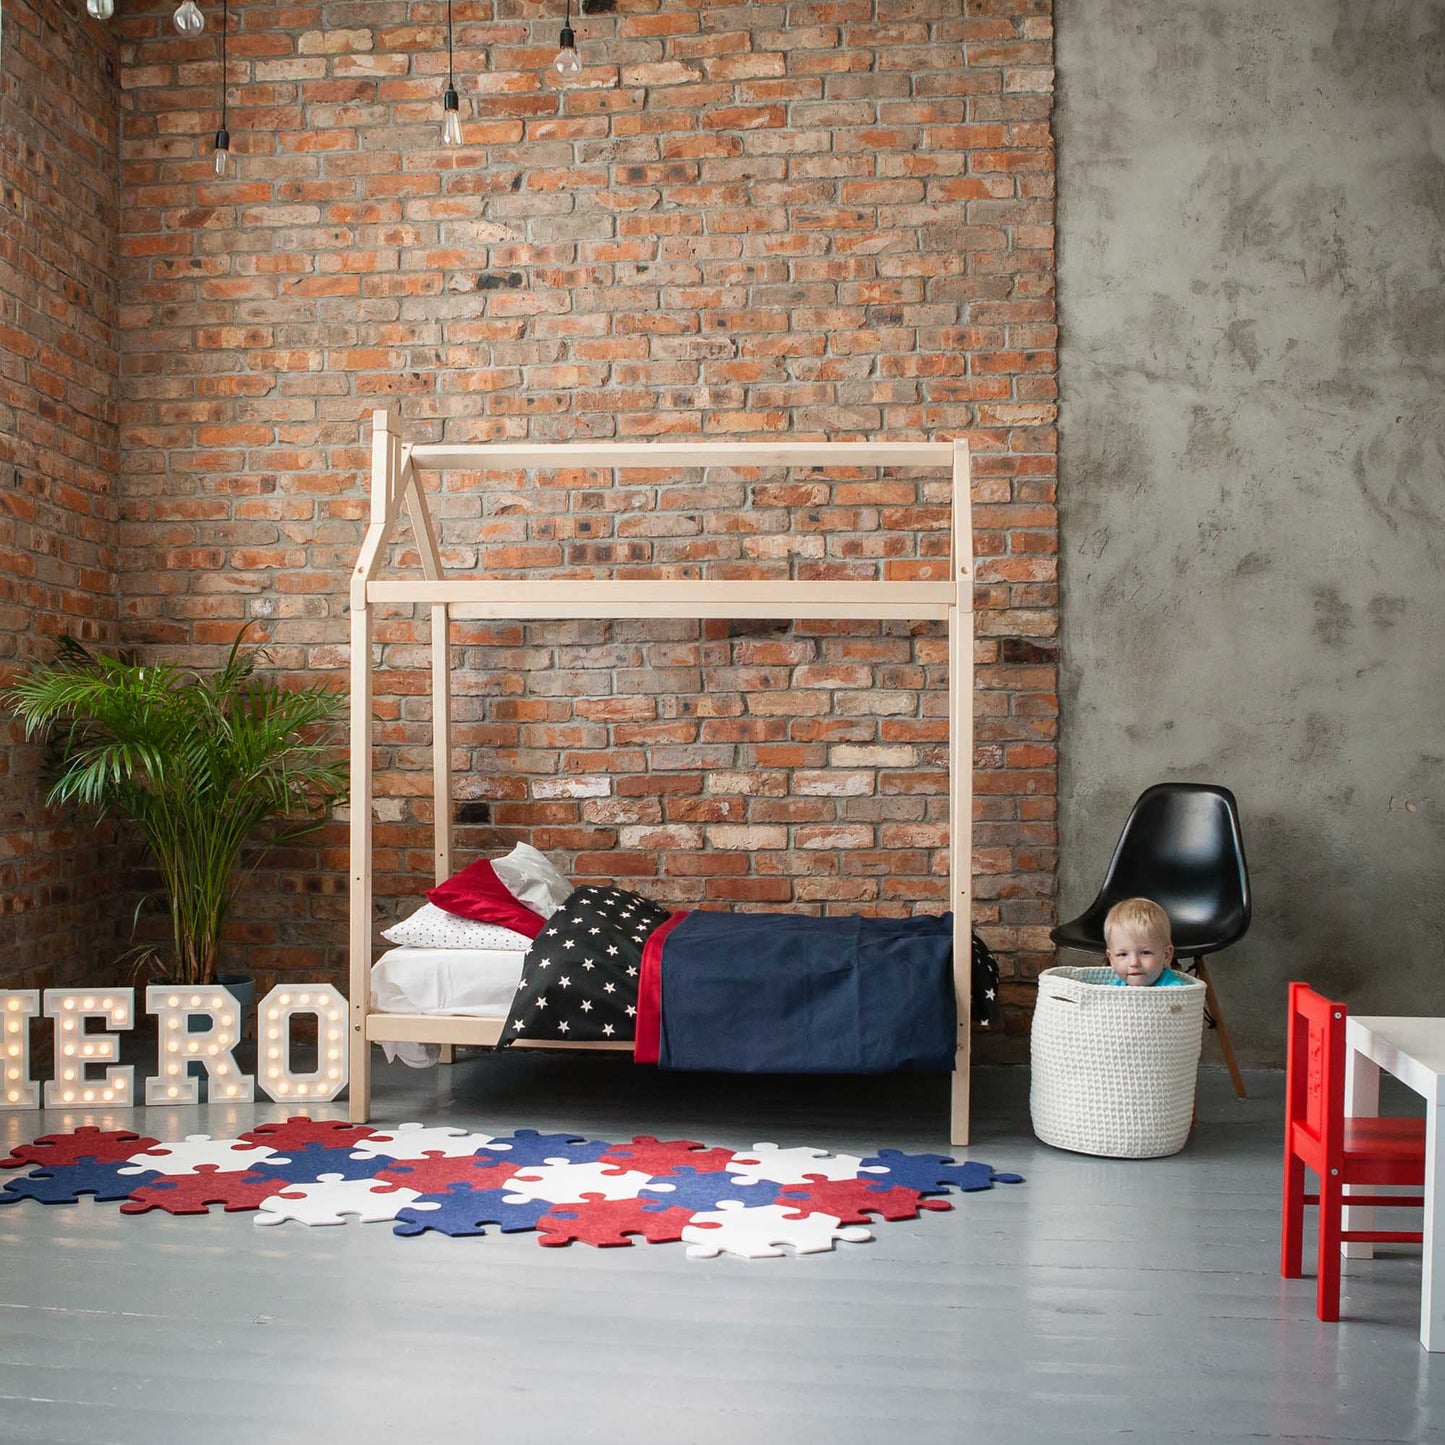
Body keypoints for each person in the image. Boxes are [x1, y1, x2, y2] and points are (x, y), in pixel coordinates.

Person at [1103, 896, 1189, 987]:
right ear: (1111, 958)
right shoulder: (1113, 989)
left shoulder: (1174, 991)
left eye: (1145, 953)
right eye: (1123, 954)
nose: (1134, 963)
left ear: (1166, 955)